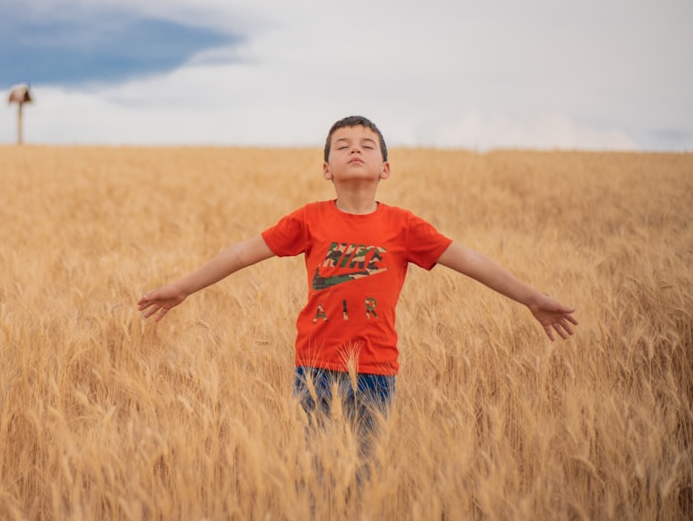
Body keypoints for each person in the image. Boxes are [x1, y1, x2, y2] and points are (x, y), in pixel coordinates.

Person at [137, 115, 578, 433]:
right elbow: (240, 254)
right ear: (326, 169)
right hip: (313, 368)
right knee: (315, 477)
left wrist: (531, 298)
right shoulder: (308, 220)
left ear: (384, 169)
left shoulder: (404, 226)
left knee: (362, 479)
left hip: (374, 369)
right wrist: (182, 288)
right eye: (342, 144)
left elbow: (473, 262)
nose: (355, 148)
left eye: (367, 144)